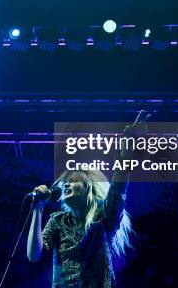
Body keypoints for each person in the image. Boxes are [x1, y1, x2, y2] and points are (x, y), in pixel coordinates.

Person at [26, 120, 147, 288]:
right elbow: (33, 255)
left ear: (88, 188)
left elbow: (119, 185)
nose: (66, 185)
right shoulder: (57, 221)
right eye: (65, 183)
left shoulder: (103, 218)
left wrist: (129, 144)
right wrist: (38, 209)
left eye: (73, 181)